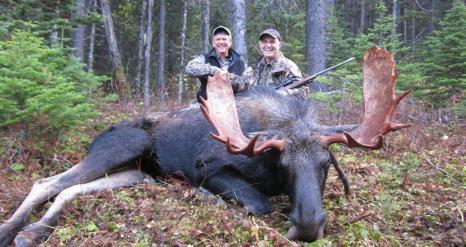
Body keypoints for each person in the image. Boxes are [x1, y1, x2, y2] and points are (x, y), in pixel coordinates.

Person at [232, 28, 308, 97]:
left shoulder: (289, 67)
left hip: (280, 110)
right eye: (264, 42)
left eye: (272, 42)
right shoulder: (254, 67)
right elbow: (241, 85)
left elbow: (303, 92)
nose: (268, 45)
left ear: (279, 45)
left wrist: (281, 94)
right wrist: (230, 79)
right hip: (255, 110)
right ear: (260, 44)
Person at [185, 26, 246, 101]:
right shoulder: (205, 58)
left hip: (233, 105)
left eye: (224, 39)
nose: (221, 42)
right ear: (213, 43)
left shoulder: (240, 62)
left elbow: (245, 85)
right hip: (207, 104)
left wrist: (229, 78)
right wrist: (214, 71)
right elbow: (190, 68)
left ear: (230, 43)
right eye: (218, 39)